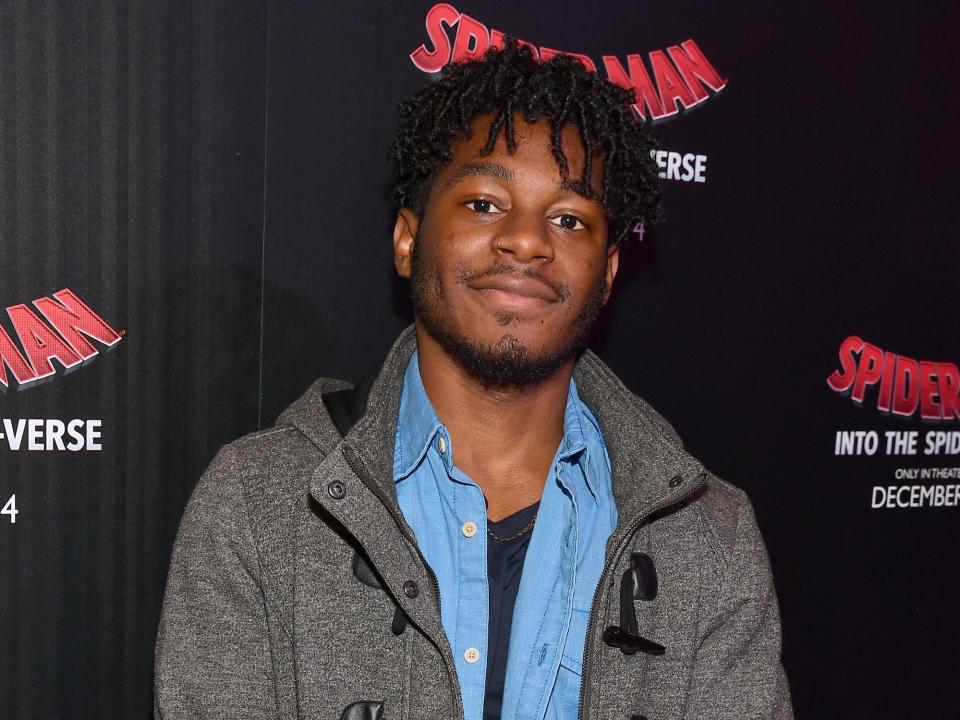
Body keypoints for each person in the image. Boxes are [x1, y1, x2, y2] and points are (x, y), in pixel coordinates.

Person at [154, 37, 793, 720]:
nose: (526, 240)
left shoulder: (709, 538)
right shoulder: (256, 505)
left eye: (569, 218)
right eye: (485, 203)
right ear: (408, 239)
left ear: (606, 274)